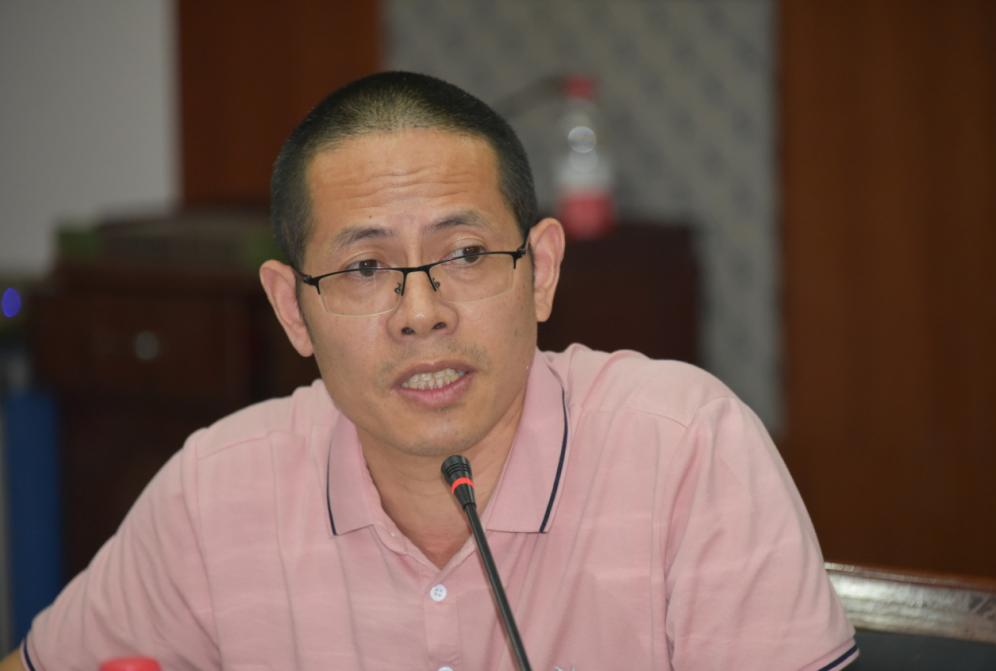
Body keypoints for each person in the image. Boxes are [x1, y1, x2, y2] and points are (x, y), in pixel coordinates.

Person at [1, 71, 857, 670]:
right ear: (293, 309)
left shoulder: (686, 449)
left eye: (466, 253)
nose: (421, 311)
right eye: (364, 268)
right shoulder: (216, 490)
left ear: (541, 270)